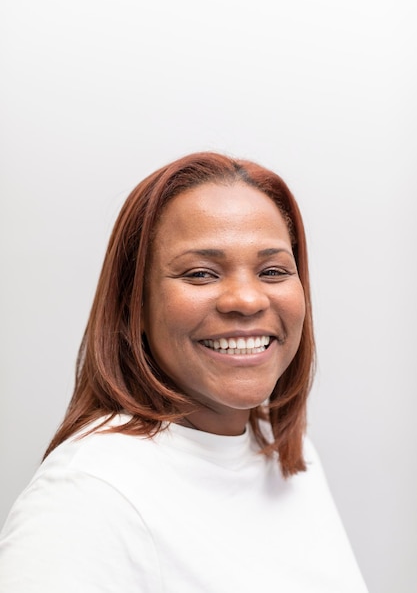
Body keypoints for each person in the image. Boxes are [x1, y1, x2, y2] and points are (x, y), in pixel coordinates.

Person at [0, 152, 369, 592]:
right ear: (133, 305)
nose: (247, 300)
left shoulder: (287, 450)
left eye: (273, 270)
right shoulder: (89, 495)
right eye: (200, 273)